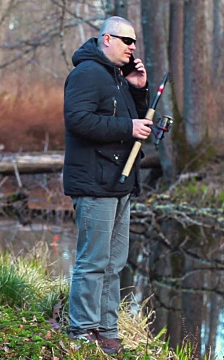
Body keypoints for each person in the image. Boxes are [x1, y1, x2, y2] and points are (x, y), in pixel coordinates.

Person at [62, 16, 151, 355]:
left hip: (119, 182)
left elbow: (129, 120)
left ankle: (107, 328)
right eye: (127, 41)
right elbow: (79, 120)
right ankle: (82, 330)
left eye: (134, 42)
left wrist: (138, 90)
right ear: (107, 39)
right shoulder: (86, 73)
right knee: (93, 260)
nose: (132, 47)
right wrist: (128, 127)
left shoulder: (118, 78)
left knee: (115, 262)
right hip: (94, 182)